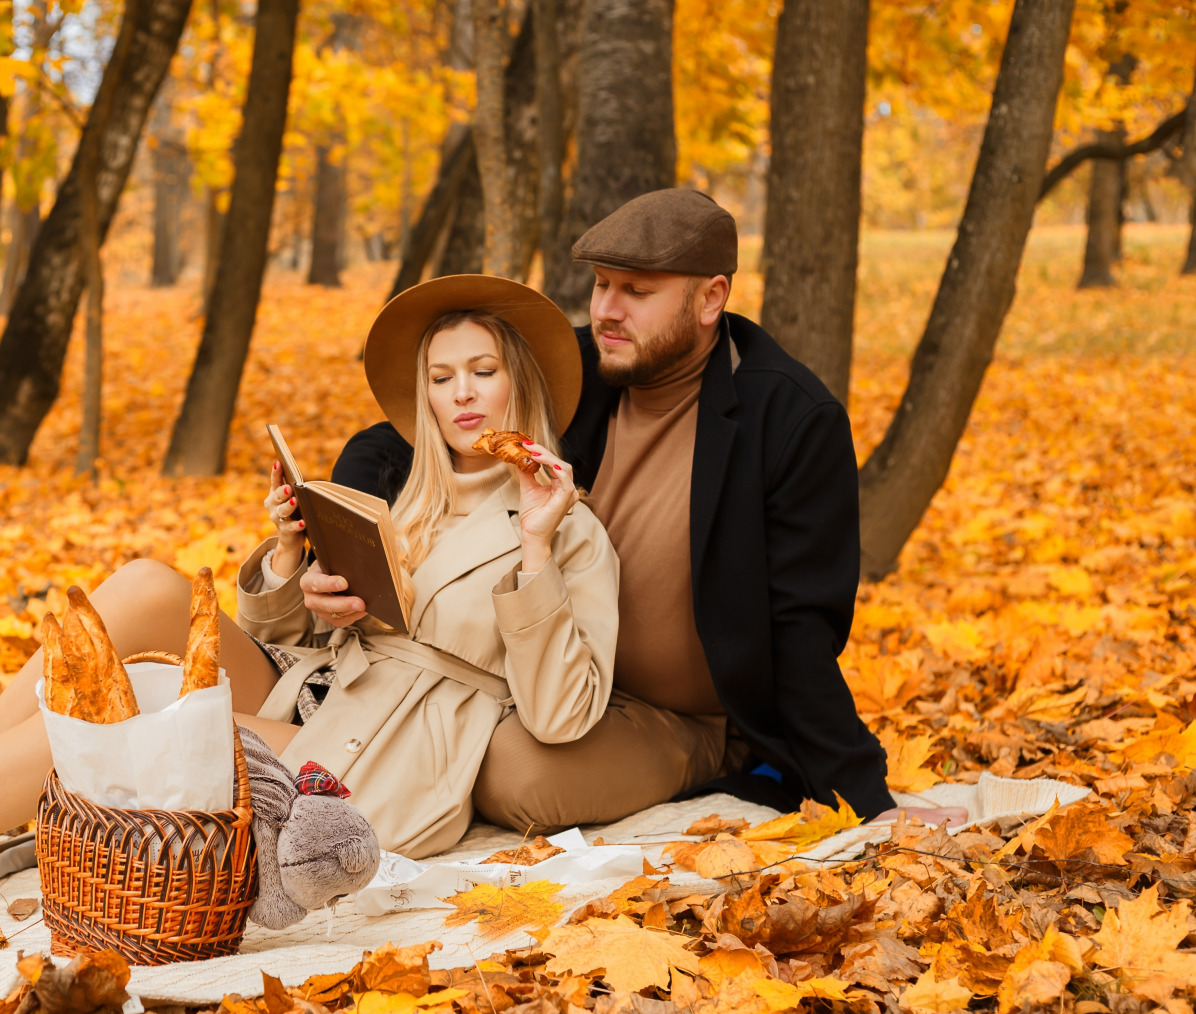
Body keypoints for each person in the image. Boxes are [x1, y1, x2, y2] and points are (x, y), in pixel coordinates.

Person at [0, 275, 621, 941]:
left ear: (520, 380)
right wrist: (290, 563)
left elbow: (565, 715)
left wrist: (533, 556)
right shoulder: (413, 497)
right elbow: (306, 631)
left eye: (481, 372)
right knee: (142, 584)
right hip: (320, 688)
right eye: (441, 378)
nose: (460, 396)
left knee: (133, 708)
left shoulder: (565, 526)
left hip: (383, 755)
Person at [316, 189, 963, 830]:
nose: (607, 311)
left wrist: (867, 801)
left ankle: (710, 771)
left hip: (679, 717)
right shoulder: (587, 368)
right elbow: (394, 439)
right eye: (601, 285)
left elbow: (801, 631)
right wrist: (352, 550)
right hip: (540, 675)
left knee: (513, 774)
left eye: (637, 291)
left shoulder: (789, 421)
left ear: (711, 298)